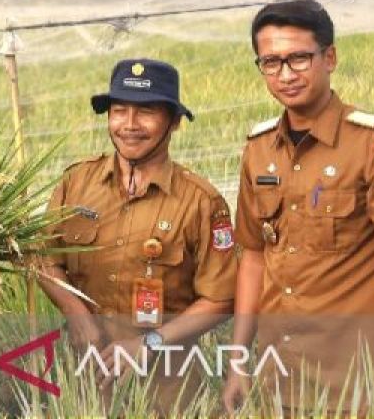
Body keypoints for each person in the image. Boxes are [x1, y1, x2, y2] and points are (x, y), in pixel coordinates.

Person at [221, 0, 374, 414]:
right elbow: (253, 258)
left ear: (329, 57)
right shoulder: (259, 149)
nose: (285, 75)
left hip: (354, 382)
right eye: (271, 62)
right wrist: (238, 363)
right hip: (277, 378)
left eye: (299, 58)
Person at [39, 58, 235, 415]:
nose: (129, 125)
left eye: (146, 112)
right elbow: (43, 258)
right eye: (119, 111)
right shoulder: (76, 183)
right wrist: (76, 313)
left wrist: (149, 344)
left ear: (174, 121)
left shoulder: (201, 202)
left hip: (168, 391)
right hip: (86, 382)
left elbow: (221, 299)